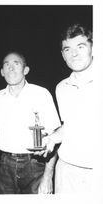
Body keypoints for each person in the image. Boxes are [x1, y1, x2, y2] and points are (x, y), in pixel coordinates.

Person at [39, 23, 99, 193]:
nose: (74, 54)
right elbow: (71, 125)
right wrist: (53, 138)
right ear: (62, 55)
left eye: (81, 46)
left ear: (93, 48)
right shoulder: (61, 87)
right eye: (67, 49)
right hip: (66, 172)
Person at [0, 51, 61, 194]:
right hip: (5, 165)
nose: (11, 68)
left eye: (16, 64)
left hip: (35, 164)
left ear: (26, 70)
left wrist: (48, 176)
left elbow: (55, 134)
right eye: (7, 65)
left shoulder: (41, 94)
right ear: (2, 72)